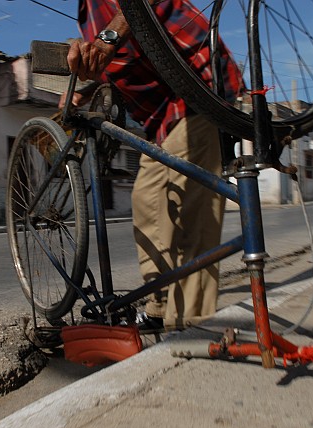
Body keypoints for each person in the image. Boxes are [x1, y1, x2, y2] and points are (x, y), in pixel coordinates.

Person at [60, 0, 244, 330]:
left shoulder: (102, 17)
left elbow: (132, 15)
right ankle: (161, 304)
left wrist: (105, 41)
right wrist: (83, 90)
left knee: (189, 212)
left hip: (199, 90)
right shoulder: (86, 14)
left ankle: (192, 321)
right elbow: (124, 58)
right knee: (147, 201)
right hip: (164, 117)